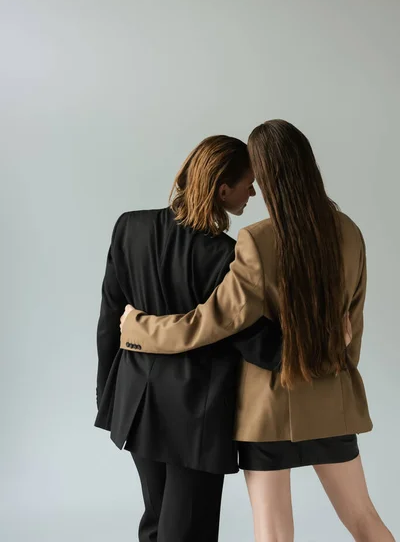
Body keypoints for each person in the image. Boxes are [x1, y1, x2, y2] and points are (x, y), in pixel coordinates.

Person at [120, 120, 395, 542]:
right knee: (365, 521)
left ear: (264, 175)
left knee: (273, 535)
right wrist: (331, 360)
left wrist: (141, 329)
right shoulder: (350, 233)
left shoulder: (255, 241)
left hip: (267, 413)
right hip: (332, 401)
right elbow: (351, 333)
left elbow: (212, 324)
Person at [95, 135, 282, 542]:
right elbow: (252, 340)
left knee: (157, 521)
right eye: (248, 183)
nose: (253, 192)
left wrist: (108, 397)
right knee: (188, 530)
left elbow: (111, 319)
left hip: (137, 404)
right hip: (196, 412)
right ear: (221, 189)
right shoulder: (227, 256)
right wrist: (314, 342)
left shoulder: (130, 227)